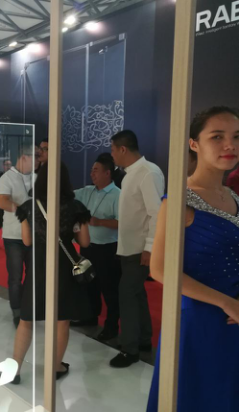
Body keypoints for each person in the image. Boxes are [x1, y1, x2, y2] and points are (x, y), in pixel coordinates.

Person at [147, 107, 239, 411]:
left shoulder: (234, 197)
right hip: (198, 320)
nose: (230, 145)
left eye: (236, 136)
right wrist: (226, 302)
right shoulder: (179, 199)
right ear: (194, 144)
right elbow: (159, 268)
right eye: (217, 137)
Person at [0, 162, 92, 384]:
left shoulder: (29, 207)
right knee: (61, 320)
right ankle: (55, 367)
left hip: (38, 268)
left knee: (26, 320)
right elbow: (85, 242)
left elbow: (27, 241)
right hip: (64, 269)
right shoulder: (76, 208)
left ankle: (14, 370)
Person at [109, 130, 165, 368]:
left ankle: (129, 348)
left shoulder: (148, 172)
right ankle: (142, 340)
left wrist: (150, 247)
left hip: (139, 249)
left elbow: (157, 213)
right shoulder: (131, 174)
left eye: (113, 150)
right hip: (130, 247)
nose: (112, 155)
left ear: (123, 149)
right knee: (136, 294)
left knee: (127, 295)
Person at [73, 154, 121, 341]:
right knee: (88, 285)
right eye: (92, 170)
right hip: (87, 247)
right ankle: (90, 316)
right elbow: (69, 195)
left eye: (96, 170)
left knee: (109, 289)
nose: (92, 173)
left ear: (107, 173)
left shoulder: (117, 195)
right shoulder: (87, 191)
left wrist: (99, 222)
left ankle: (111, 326)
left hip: (108, 249)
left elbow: (122, 223)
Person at [0, 145, 34, 327]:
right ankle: (17, 311)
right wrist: (24, 211)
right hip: (13, 236)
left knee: (33, 275)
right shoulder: (7, 178)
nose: (37, 161)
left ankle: (28, 307)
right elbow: (3, 202)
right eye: (35, 157)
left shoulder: (37, 177)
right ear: (24, 157)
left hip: (34, 235)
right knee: (15, 277)